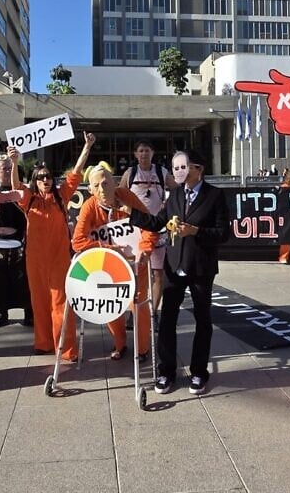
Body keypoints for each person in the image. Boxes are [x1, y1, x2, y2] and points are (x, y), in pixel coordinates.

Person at [126, 149, 229, 395]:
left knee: (203, 320)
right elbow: (156, 222)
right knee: (168, 320)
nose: (179, 172)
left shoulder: (215, 195)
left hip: (201, 267)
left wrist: (195, 231)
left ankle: (199, 372)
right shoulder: (173, 196)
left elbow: (224, 233)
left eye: (183, 167)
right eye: (175, 168)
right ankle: (166, 371)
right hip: (174, 266)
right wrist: (129, 211)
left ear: (198, 169)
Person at [9, 133, 94, 360]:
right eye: (40, 177)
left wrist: (87, 146)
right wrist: (15, 162)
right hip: (34, 260)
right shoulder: (28, 200)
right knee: (39, 302)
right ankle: (43, 343)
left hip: (58, 260)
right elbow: (15, 185)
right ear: (35, 180)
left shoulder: (61, 196)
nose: (45, 180)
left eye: (48, 177)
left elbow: (76, 173)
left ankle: (66, 349)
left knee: (61, 302)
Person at [73, 164, 157, 361]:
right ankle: (120, 344)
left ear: (114, 182)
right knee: (111, 304)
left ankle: (142, 349)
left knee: (139, 304)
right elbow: (77, 242)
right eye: (97, 185)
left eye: (106, 182)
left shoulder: (126, 196)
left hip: (136, 262)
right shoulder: (89, 207)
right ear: (91, 190)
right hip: (109, 265)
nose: (103, 189)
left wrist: (145, 249)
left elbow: (148, 225)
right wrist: (105, 248)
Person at [120, 139, 177, 318]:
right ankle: (135, 312)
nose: (144, 154)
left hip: (158, 229)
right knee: (134, 272)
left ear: (152, 153)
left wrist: (168, 205)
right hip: (136, 230)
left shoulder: (161, 171)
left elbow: (177, 190)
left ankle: (153, 314)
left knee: (157, 273)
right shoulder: (130, 173)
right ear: (136, 154)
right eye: (141, 151)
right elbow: (119, 195)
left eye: (147, 150)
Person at [0, 153, 33, 328]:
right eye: (3, 168)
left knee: (24, 278)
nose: (7, 171)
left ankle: (28, 312)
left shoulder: (22, 191)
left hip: (21, 240)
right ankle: (2, 312)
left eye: (9, 168)